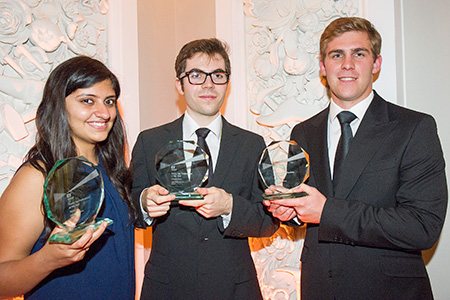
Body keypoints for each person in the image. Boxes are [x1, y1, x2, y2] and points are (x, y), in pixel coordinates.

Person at [264, 17, 448, 300]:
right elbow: (303, 207)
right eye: (337, 55)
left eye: (358, 54)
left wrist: (327, 212)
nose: (347, 64)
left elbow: (422, 227)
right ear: (323, 67)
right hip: (319, 289)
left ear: (376, 64)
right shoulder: (302, 132)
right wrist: (289, 212)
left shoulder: (414, 128)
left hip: (390, 292)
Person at [131, 38, 279, 300]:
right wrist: (144, 202)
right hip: (167, 287)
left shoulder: (251, 144)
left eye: (218, 75)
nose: (208, 84)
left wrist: (230, 207)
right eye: (197, 75)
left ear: (227, 83)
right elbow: (129, 208)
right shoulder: (150, 141)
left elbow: (269, 221)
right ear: (180, 84)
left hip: (235, 287)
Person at [0, 56, 138, 300]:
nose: (104, 112)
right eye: (87, 101)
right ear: (58, 106)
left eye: (109, 101)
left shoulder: (113, 172)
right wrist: (47, 260)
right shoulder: (37, 178)